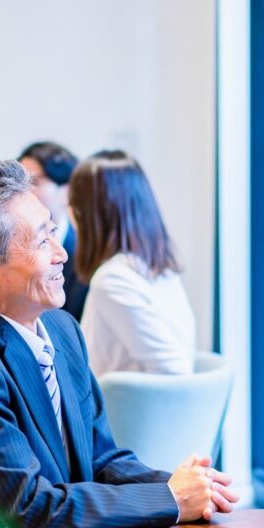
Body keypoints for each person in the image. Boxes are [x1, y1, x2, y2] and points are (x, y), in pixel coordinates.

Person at [0, 160, 236, 528]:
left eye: (54, 230)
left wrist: (182, 486)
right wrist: (170, 500)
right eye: (41, 240)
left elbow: (101, 457)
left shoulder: (61, 327)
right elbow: (31, 505)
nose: (62, 253)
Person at [70, 150, 197, 377]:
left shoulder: (113, 279)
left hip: (121, 411)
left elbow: (174, 368)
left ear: (87, 214)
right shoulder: (160, 269)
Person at [19, 140, 89, 321]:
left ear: (67, 190)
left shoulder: (87, 255)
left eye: (34, 181)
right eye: (19, 180)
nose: (22, 190)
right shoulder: (10, 247)